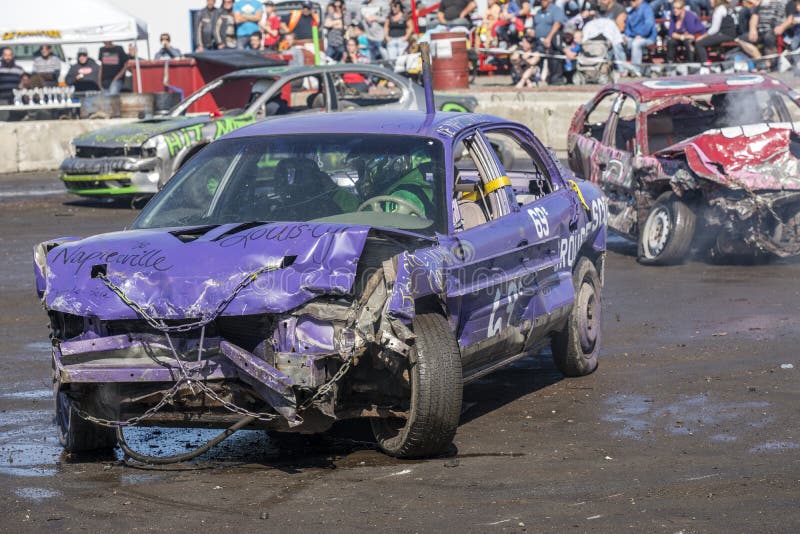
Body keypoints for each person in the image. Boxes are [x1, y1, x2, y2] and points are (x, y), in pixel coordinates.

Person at [532, 0, 568, 84]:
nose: (542, 1)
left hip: (553, 42)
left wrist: (549, 38)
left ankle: (555, 79)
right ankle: (537, 78)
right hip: (538, 42)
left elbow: (557, 24)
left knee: (555, 57)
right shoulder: (538, 12)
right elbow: (534, 26)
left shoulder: (556, 10)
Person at [623, 0, 656, 76]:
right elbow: (627, 28)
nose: (631, 2)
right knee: (619, 42)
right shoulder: (631, 11)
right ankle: (622, 69)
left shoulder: (647, 9)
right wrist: (626, 36)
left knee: (636, 44)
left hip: (648, 38)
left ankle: (635, 70)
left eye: (633, 0)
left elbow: (649, 24)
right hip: (632, 37)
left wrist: (641, 35)